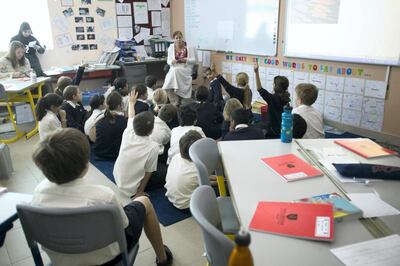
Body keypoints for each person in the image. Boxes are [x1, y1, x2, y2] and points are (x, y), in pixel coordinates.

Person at [31, 128, 173, 266]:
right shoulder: (103, 196)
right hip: (108, 259)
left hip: (61, 260)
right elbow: (124, 226)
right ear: (85, 166)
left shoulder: (38, 193)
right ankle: (163, 258)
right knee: (144, 201)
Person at [114, 92, 159, 198]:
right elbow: (148, 172)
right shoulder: (153, 147)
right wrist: (139, 192)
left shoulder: (128, 131)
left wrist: (131, 102)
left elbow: (131, 115)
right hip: (131, 189)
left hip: (117, 177)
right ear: (152, 130)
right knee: (163, 172)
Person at [165, 130, 215, 209]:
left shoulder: (176, 157)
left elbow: (197, 178)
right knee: (218, 191)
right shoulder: (197, 169)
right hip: (187, 206)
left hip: (173, 198)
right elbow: (206, 185)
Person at [254, 62, 290, 138]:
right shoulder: (287, 99)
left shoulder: (272, 98)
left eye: (273, 83)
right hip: (281, 131)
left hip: (272, 131)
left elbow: (259, 88)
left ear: (275, 86)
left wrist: (256, 72)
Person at [162, 31, 197, 105]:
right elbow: (168, 61)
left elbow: (194, 60)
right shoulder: (171, 47)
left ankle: (177, 92)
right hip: (174, 67)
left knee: (174, 72)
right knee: (174, 71)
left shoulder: (189, 47)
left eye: (180, 37)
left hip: (186, 67)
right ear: (174, 39)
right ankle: (174, 99)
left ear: (182, 38)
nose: (178, 39)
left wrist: (186, 60)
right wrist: (173, 61)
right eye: (176, 38)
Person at [93, 92, 127, 159]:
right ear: (119, 105)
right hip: (114, 155)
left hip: (98, 153)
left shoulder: (100, 117)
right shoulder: (124, 121)